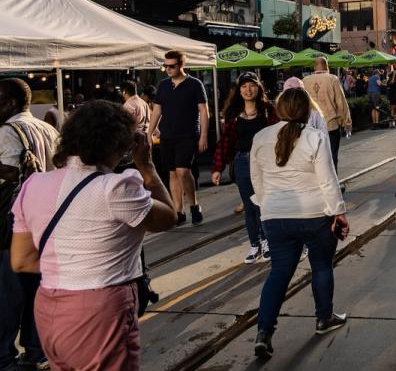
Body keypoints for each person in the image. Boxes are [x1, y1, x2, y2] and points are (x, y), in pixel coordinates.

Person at [10, 100, 176, 371]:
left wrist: (70, 263)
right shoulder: (117, 188)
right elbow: (168, 217)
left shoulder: (34, 185)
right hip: (100, 309)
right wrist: (147, 167)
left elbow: (21, 260)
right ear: (120, 144)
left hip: (48, 307)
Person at [250, 88, 348, 359]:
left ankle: (264, 332)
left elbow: (256, 179)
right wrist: (338, 211)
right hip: (314, 214)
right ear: (307, 111)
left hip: (274, 216)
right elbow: (328, 179)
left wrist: (265, 205)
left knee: (279, 272)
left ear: (279, 109)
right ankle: (323, 318)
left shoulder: (260, 137)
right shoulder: (315, 136)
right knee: (321, 265)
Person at [0, 79, 59, 371]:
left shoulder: (6, 133)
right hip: (47, 225)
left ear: (10, 102)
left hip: (12, 228)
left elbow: (8, 177)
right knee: (37, 290)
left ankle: (5, 358)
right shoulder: (48, 129)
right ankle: (36, 352)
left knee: (7, 295)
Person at [211, 73, 279, 264]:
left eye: (252, 85)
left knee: (263, 203)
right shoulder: (233, 114)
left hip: (264, 162)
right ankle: (254, 244)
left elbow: (278, 135)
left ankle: (267, 241)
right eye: (244, 86)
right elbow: (225, 142)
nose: (248, 90)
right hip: (242, 161)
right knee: (249, 205)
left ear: (259, 88)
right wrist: (217, 168)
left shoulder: (268, 110)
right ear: (238, 90)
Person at [147, 49, 209, 226]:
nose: (167, 69)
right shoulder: (164, 85)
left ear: (182, 65)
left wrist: (203, 135)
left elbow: (204, 111)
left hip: (188, 135)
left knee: (183, 171)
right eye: (165, 66)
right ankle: (178, 211)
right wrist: (149, 133)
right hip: (168, 135)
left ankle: (194, 206)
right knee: (173, 173)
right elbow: (157, 110)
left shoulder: (195, 84)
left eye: (171, 66)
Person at [302, 57, 352, 171]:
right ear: (327, 66)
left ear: (314, 67)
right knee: (331, 156)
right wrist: (347, 121)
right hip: (330, 124)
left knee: (313, 158)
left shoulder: (305, 81)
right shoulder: (332, 79)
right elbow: (341, 102)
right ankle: (332, 184)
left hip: (311, 127)